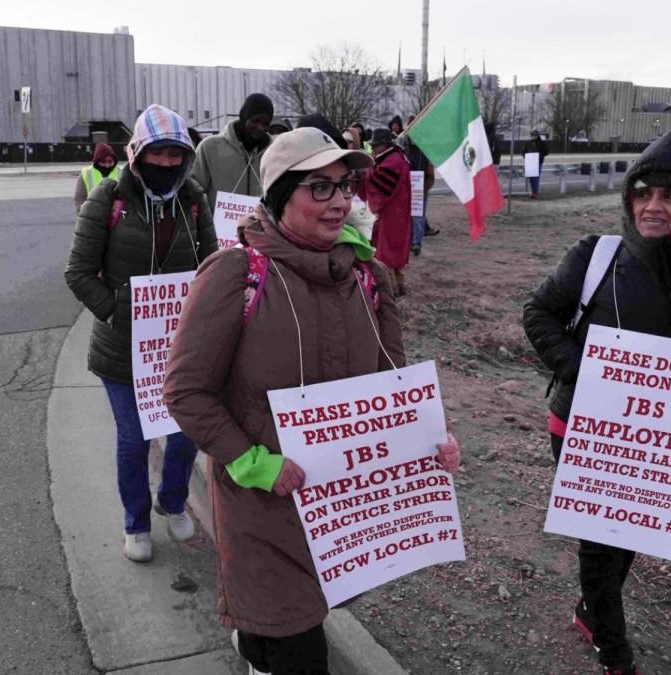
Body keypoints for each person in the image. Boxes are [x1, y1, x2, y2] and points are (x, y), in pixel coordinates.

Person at [164, 127, 461, 675]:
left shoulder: (367, 276)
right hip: (262, 504)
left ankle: (255, 650)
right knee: (297, 644)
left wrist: (430, 444)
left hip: (336, 510)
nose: (341, 202)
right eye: (319, 189)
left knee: (287, 625)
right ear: (281, 196)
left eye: (345, 186)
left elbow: (392, 384)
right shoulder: (236, 274)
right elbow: (186, 391)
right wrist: (256, 463)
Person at [522, 130, 671, 675]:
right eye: (643, 193)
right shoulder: (596, 255)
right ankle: (615, 650)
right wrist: (583, 372)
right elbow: (538, 313)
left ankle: (592, 610)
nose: (654, 206)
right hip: (581, 425)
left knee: (631, 532)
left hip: (661, 439)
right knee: (600, 536)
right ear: (629, 197)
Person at [64, 104, 219, 563]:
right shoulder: (106, 200)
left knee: (186, 433)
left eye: (176, 156)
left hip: (180, 349)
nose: (166, 165)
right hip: (122, 351)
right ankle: (136, 521)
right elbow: (78, 273)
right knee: (133, 439)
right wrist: (119, 313)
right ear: (139, 153)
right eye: (157, 155)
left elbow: (211, 266)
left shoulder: (194, 200)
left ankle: (172, 501)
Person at [192, 93, 274, 210]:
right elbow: (194, 191)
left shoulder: (274, 153)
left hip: (259, 227)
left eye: (265, 124)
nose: (260, 127)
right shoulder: (209, 147)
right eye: (255, 121)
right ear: (244, 117)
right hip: (215, 226)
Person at [363, 128, 413, 296]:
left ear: (384, 145)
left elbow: (380, 184)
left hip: (391, 212)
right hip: (399, 211)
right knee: (396, 251)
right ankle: (400, 284)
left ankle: (391, 289)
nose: (374, 149)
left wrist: (367, 173)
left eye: (376, 146)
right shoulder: (398, 158)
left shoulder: (392, 162)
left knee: (386, 251)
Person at [403, 114, 438, 255]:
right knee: (406, 216)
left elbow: (431, 173)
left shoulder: (425, 150)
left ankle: (417, 243)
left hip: (420, 189)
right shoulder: (404, 149)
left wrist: (425, 187)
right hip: (405, 188)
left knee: (418, 216)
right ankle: (408, 241)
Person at [75, 142, 120, 210]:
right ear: (97, 162)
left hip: (117, 217)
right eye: (103, 162)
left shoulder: (122, 173)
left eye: (110, 162)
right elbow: (79, 199)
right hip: (93, 217)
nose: (107, 165)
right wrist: (85, 215)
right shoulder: (86, 173)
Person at [524, 129, 550, 198]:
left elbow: (546, 151)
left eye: (535, 135)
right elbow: (524, 152)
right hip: (530, 163)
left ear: (537, 135)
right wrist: (526, 157)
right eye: (532, 135)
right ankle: (533, 191)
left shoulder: (542, 143)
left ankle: (535, 192)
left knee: (536, 177)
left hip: (538, 162)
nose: (533, 136)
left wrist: (540, 156)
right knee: (531, 178)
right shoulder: (528, 143)